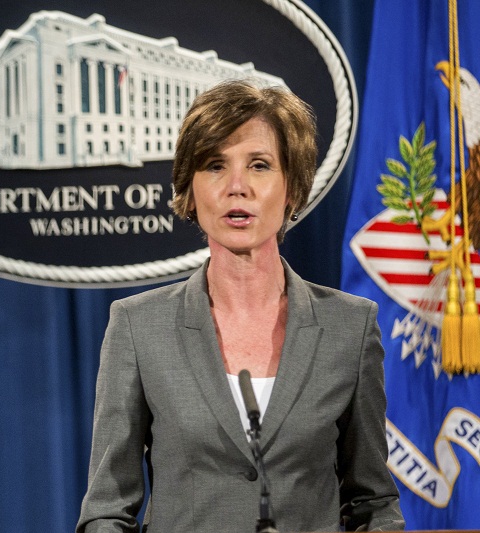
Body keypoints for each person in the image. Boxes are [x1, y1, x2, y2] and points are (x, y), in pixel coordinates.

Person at [76, 80, 404, 532]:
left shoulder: (350, 327)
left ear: (293, 187)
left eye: (260, 165)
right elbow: (107, 511)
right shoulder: (137, 327)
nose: (237, 187)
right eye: (214, 166)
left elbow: (372, 503)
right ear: (191, 190)